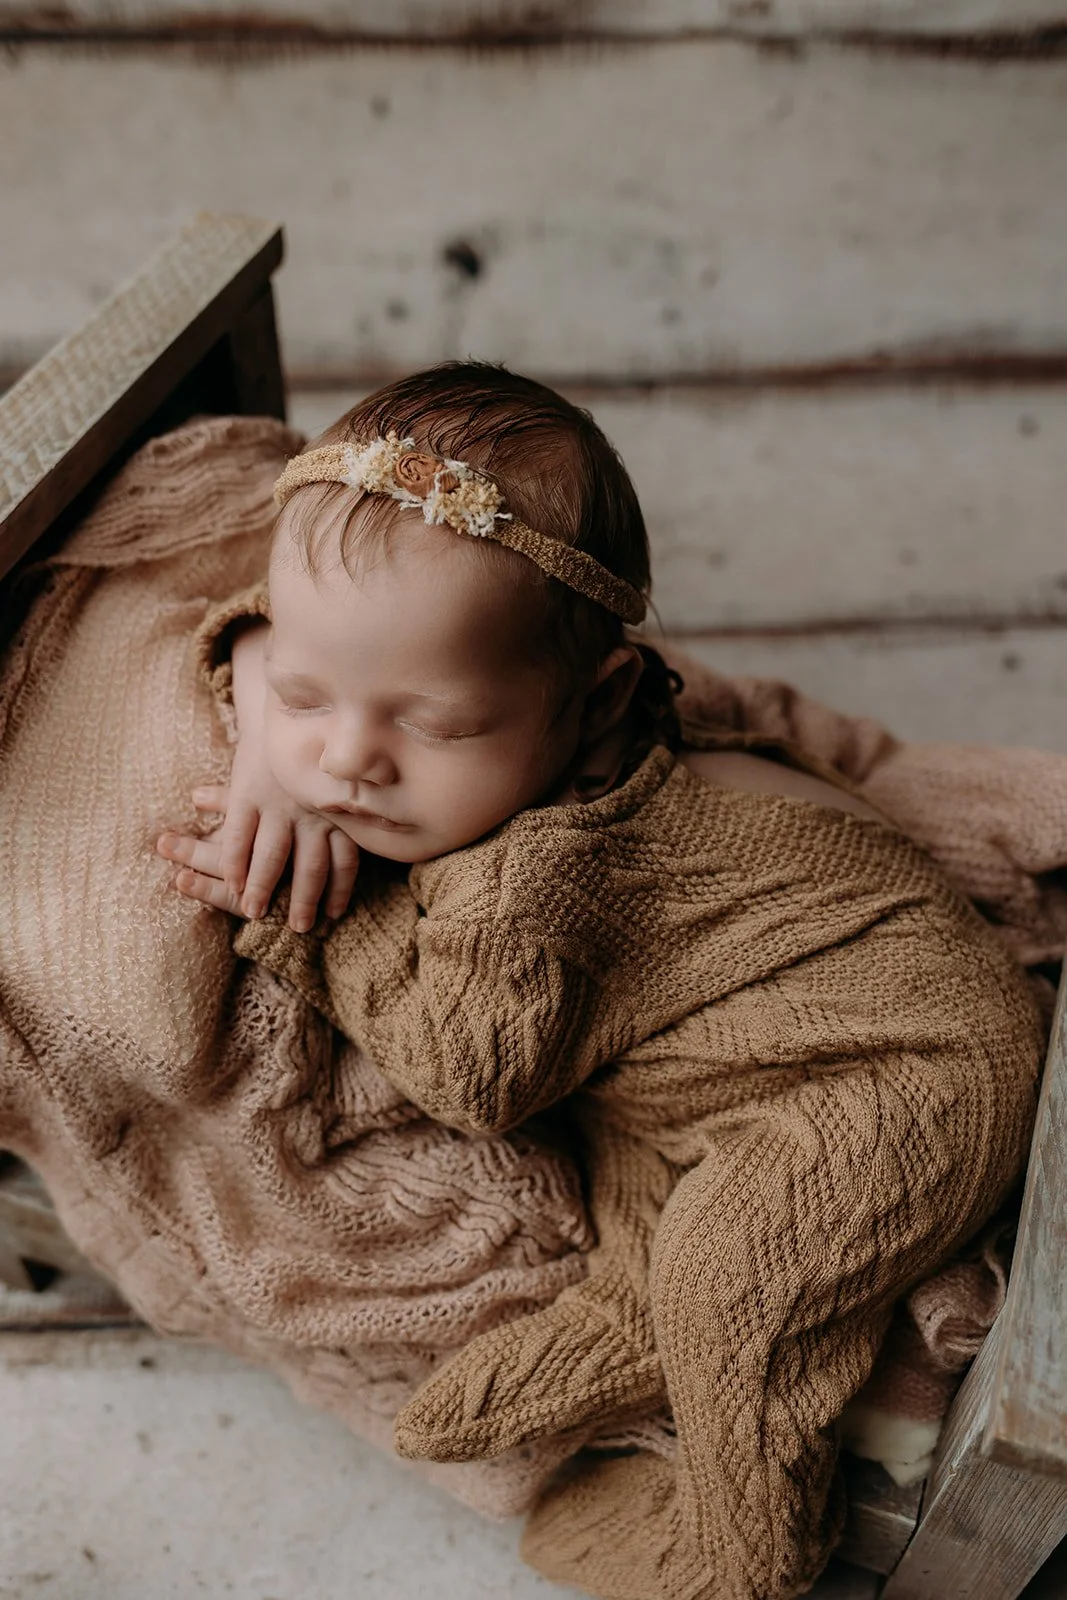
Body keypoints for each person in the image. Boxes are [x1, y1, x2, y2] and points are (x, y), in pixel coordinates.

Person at [157, 363, 1041, 1600]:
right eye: (305, 694)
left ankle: (747, 1544)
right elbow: (273, 624)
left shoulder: (543, 874)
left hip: (903, 1066)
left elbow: (468, 1074)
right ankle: (635, 1325)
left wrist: (317, 916)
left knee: (738, 1281)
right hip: (710, 1078)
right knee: (652, 1200)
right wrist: (259, 718)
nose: (346, 761)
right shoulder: (434, 704)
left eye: (436, 725)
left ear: (595, 704)